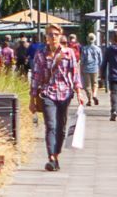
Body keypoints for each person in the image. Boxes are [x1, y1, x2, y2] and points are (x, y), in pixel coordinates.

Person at [31, 21, 83, 170]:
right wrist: (32, 98)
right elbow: (36, 76)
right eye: (50, 34)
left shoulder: (69, 53)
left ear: (60, 36)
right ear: (46, 37)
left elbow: (75, 73)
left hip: (65, 93)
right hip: (48, 93)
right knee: (51, 125)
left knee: (62, 127)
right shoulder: (41, 54)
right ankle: (51, 157)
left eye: (55, 34)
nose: (53, 37)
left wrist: (79, 92)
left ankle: (57, 154)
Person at [80, 31, 103, 108]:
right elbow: (100, 60)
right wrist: (100, 68)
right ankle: (94, 95)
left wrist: (81, 68)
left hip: (86, 68)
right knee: (95, 83)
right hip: (95, 68)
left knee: (87, 86)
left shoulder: (84, 49)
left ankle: (89, 100)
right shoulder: (98, 49)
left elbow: (82, 60)